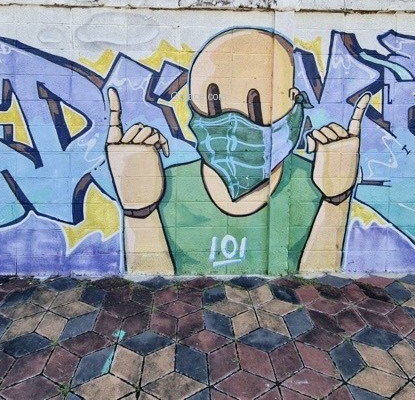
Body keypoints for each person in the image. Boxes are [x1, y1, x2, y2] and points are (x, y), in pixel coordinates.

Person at [106, 28, 369, 274]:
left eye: (255, 106)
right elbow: (152, 285)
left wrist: (337, 199)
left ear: (293, 100)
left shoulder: (316, 183)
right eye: (214, 104)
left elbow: (319, 284)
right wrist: (139, 210)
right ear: (192, 105)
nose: (233, 123)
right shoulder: (163, 185)